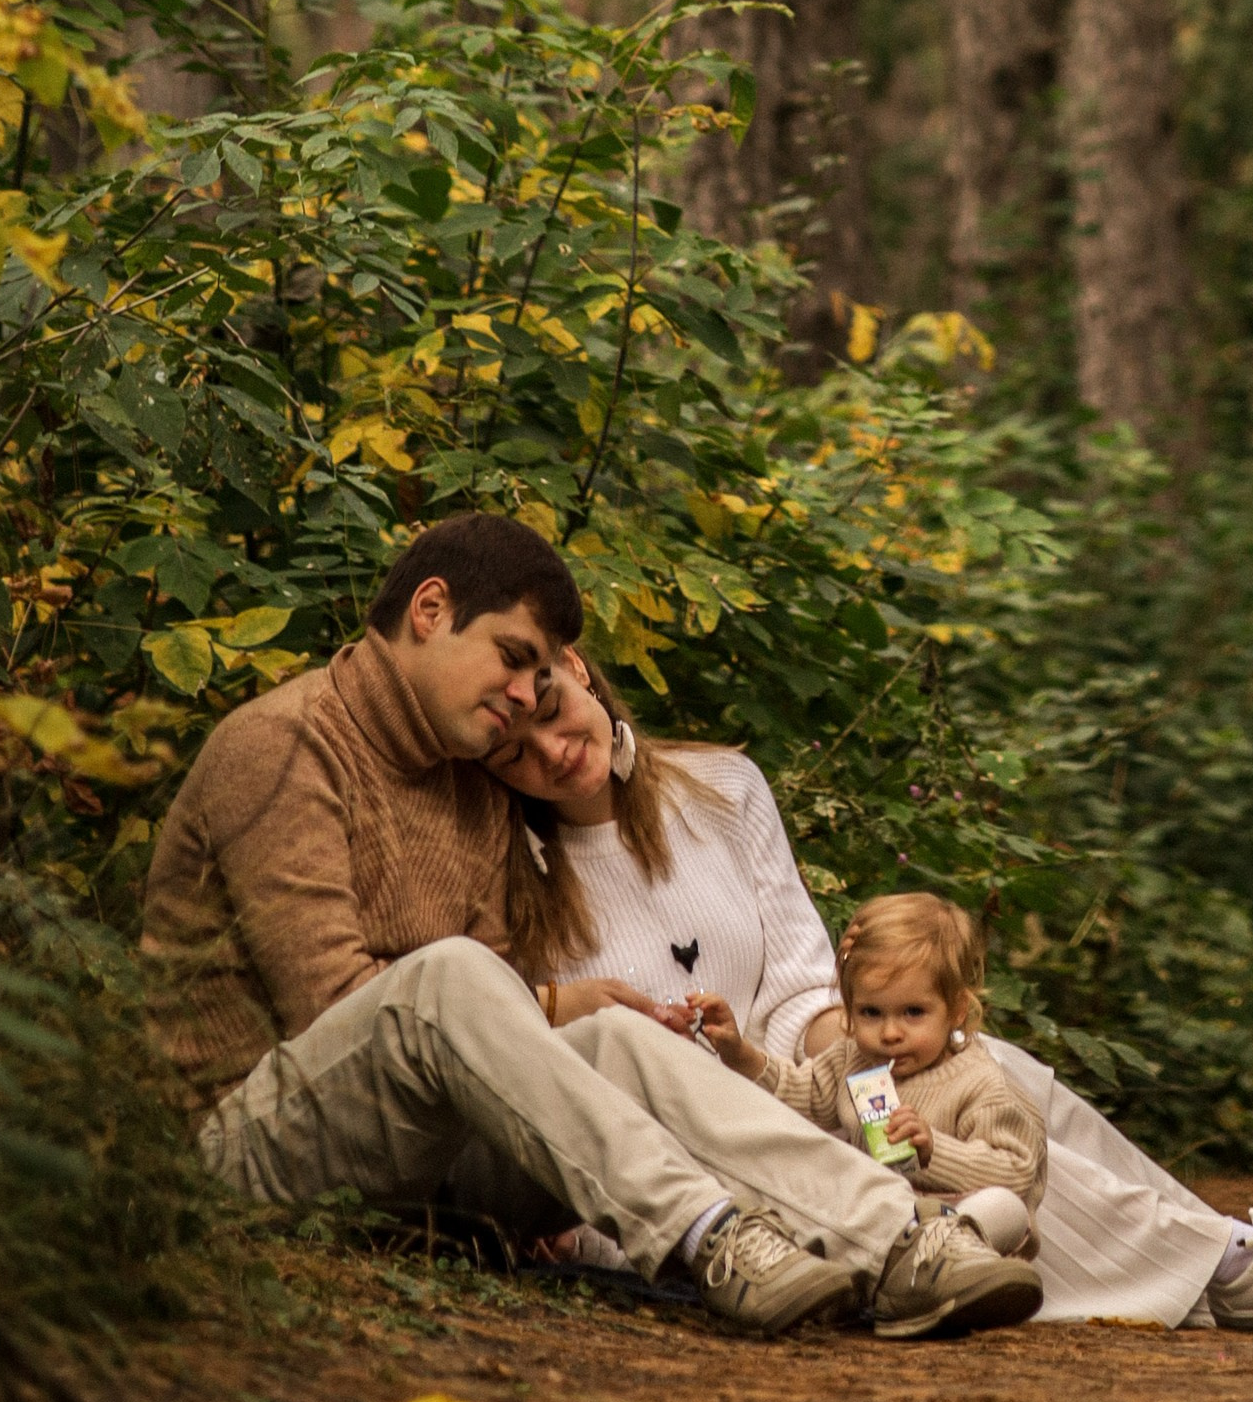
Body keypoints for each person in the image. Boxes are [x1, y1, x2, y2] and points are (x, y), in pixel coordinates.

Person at [139, 513, 1039, 1342]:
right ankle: (710, 1233)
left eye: (544, 677)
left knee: (613, 1036)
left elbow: (492, 1038)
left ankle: (898, 1244)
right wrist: (543, 1002)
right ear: (430, 609)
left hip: (424, 1175)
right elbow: (331, 1006)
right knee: (456, 979)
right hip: (243, 1153)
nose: (527, 698)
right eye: (514, 657)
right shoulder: (282, 745)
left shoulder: (470, 783)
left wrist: (572, 1022)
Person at [494, 648, 1253, 1335]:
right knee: (954, 1128)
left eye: (553, 705)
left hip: (806, 1083)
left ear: (577, 667)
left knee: (987, 1071)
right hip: (707, 1145)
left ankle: (1223, 1251)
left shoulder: (724, 789)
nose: (551, 748)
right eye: (515, 751)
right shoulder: (513, 871)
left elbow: (799, 980)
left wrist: (872, 1065)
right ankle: (1219, 1265)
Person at [720, 890, 1047, 1239]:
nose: (890, 1033)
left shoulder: (980, 1084)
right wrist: (741, 1055)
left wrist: (933, 1150)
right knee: (804, 1177)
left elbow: (1016, 1172)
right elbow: (804, 1092)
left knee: (1003, 1209)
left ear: (956, 1010)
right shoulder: (854, 1061)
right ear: (849, 1007)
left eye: (913, 1012)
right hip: (879, 1217)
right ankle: (872, 1261)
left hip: (958, 1220)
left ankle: (943, 1256)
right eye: (871, 1012)